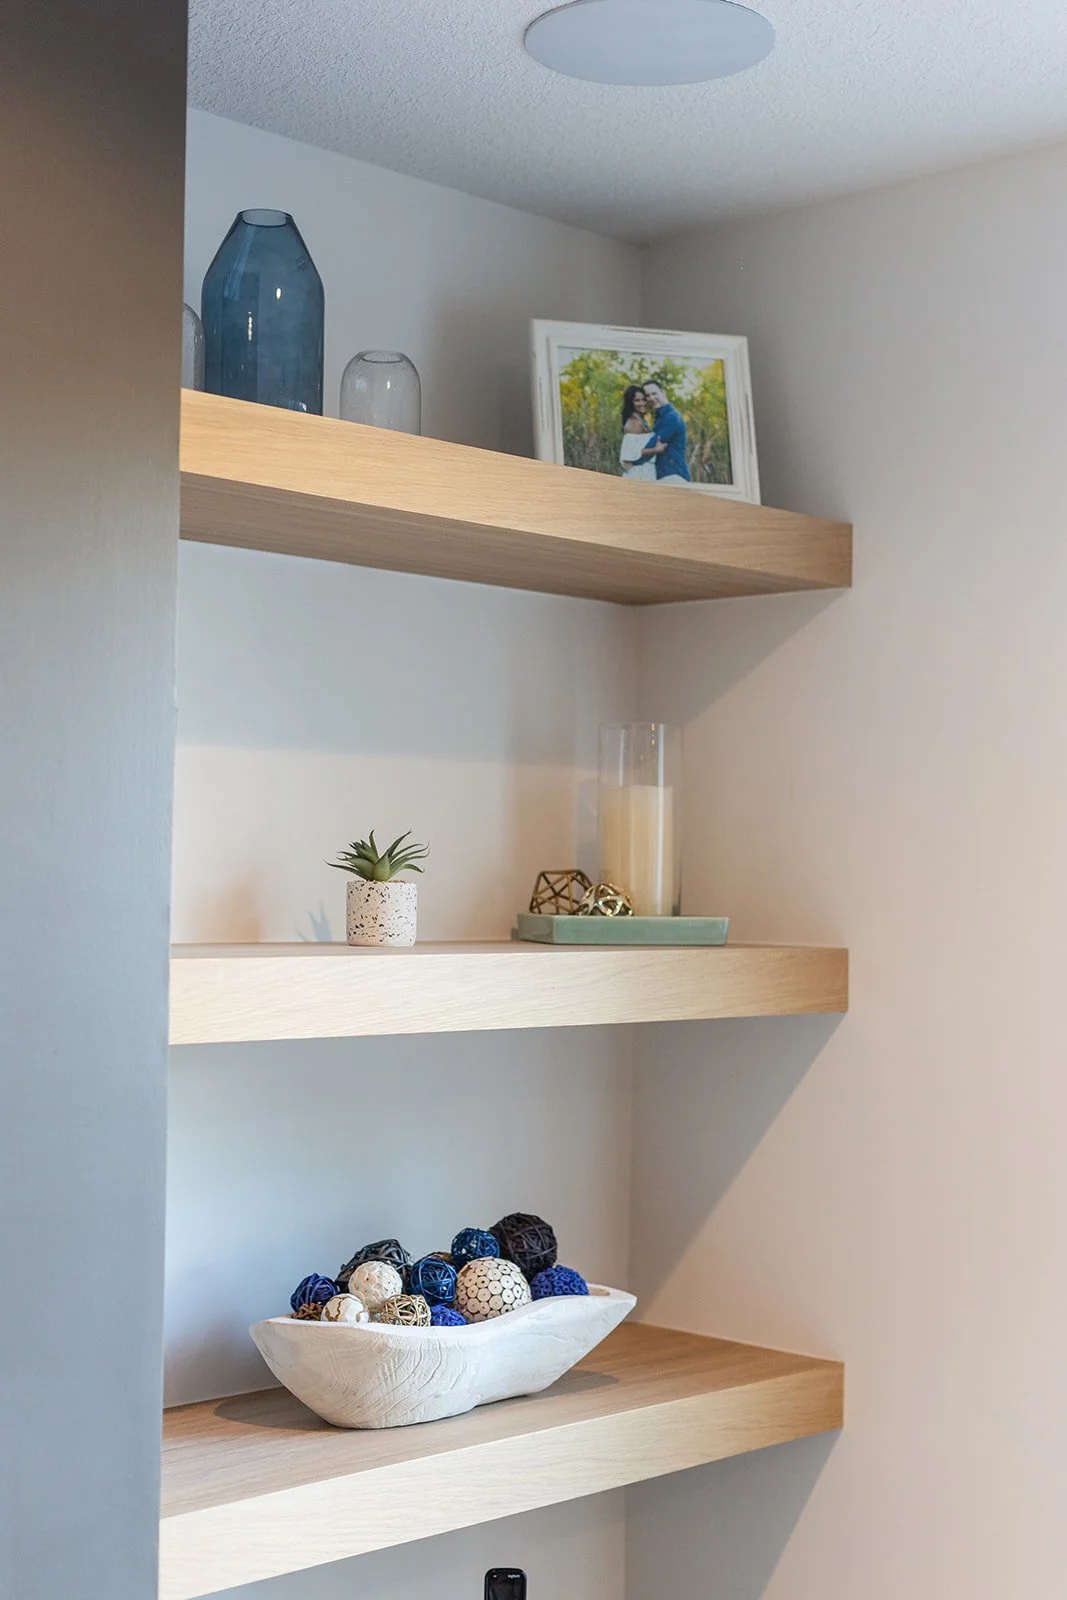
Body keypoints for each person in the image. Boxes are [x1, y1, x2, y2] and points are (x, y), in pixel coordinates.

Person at [640, 379, 692, 483]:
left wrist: (631, 458)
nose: (651, 398)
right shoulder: (661, 417)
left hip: (674, 477)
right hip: (667, 476)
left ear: (663, 392)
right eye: (648, 395)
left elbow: (650, 446)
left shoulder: (671, 417)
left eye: (654, 393)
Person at [618, 384, 658, 481]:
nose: (642, 403)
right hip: (641, 475)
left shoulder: (641, 421)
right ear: (631, 403)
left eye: (644, 399)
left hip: (648, 472)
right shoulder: (634, 424)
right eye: (637, 400)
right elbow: (627, 460)